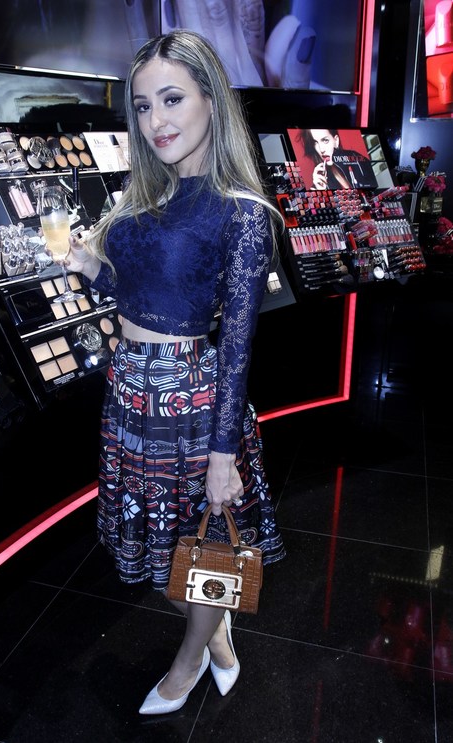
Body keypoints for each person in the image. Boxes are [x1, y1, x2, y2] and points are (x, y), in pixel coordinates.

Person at [66, 28, 286, 715]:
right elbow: (141, 299)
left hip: (191, 398)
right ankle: (217, 639)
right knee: (169, 548)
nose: (155, 120)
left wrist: (224, 454)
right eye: (142, 106)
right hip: (130, 390)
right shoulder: (143, 200)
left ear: (211, 101)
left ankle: (190, 662)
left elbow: (239, 345)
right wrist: (91, 269)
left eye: (171, 99)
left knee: (204, 544)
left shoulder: (243, 214)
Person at [297, 127, 378, 190]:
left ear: (336, 141)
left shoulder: (357, 160)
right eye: (315, 143)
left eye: (325, 140)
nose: (321, 149)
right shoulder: (318, 184)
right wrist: (322, 191)